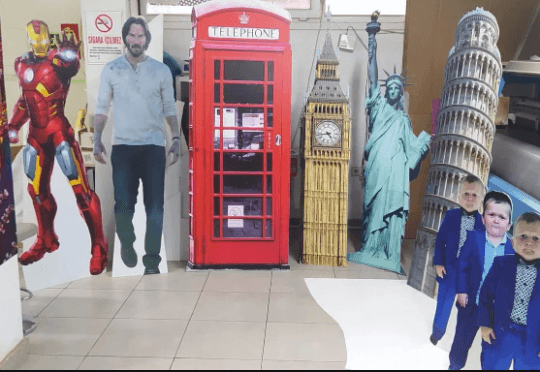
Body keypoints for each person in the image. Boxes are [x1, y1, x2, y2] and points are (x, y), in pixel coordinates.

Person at [0, 20, 108, 275]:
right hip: (36, 136)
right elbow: (25, 102)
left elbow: (70, 66)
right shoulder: (20, 63)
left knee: (80, 190)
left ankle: (98, 246)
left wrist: (71, 56)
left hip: (59, 133)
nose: (39, 41)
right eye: (34, 37)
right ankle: (47, 239)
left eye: (43, 37)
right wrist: (13, 125)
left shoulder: (58, 61)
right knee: (36, 191)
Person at [93, 16, 180, 275]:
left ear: (147, 39)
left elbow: (169, 109)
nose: (136, 40)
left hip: (154, 147)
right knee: (123, 206)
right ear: (125, 37)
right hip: (122, 148)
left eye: (141, 36)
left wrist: (174, 139)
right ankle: (127, 242)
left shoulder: (161, 71)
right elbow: (101, 109)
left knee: (155, 207)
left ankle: (152, 260)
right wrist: (97, 140)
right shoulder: (111, 70)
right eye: (132, 35)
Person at [347, 23, 431, 273]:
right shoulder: (380, 108)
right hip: (377, 165)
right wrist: (372, 43)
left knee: (392, 210)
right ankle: (371, 248)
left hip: (395, 170)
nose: (392, 89)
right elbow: (373, 78)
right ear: (386, 91)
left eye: (397, 87)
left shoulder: (404, 120)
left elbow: (412, 149)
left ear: (401, 93)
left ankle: (389, 253)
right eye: (389, 87)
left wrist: (426, 141)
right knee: (374, 208)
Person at [450, 191, 515, 370]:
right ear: (483, 218)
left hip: (494, 312)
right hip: (470, 302)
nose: (496, 220)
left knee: (490, 350)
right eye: (491, 214)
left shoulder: (512, 250)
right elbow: (462, 266)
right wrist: (461, 290)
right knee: (461, 343)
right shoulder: (474, 238)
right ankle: (454, 365)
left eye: (502, 217)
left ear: (509, 224)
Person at [478, 211, 540, 370]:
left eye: (536, 238)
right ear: (512, 242)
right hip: (500, 332)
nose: (529, 243)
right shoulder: (500, 265)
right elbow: (485, 297)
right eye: (523, 236)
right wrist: (485, 324)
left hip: (534, 340)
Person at [430, 174, 485, 345]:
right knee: (443, 305)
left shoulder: (484, 224)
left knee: (466, 310)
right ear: (458, 196)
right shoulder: (451, 216)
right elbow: (440, 241)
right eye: (466, 194)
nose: (469, 199)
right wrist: (438, 262)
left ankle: (461, 340)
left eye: (474, 195)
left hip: (470, 277)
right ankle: (437, 333)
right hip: (450, 271)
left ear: (481, 199)